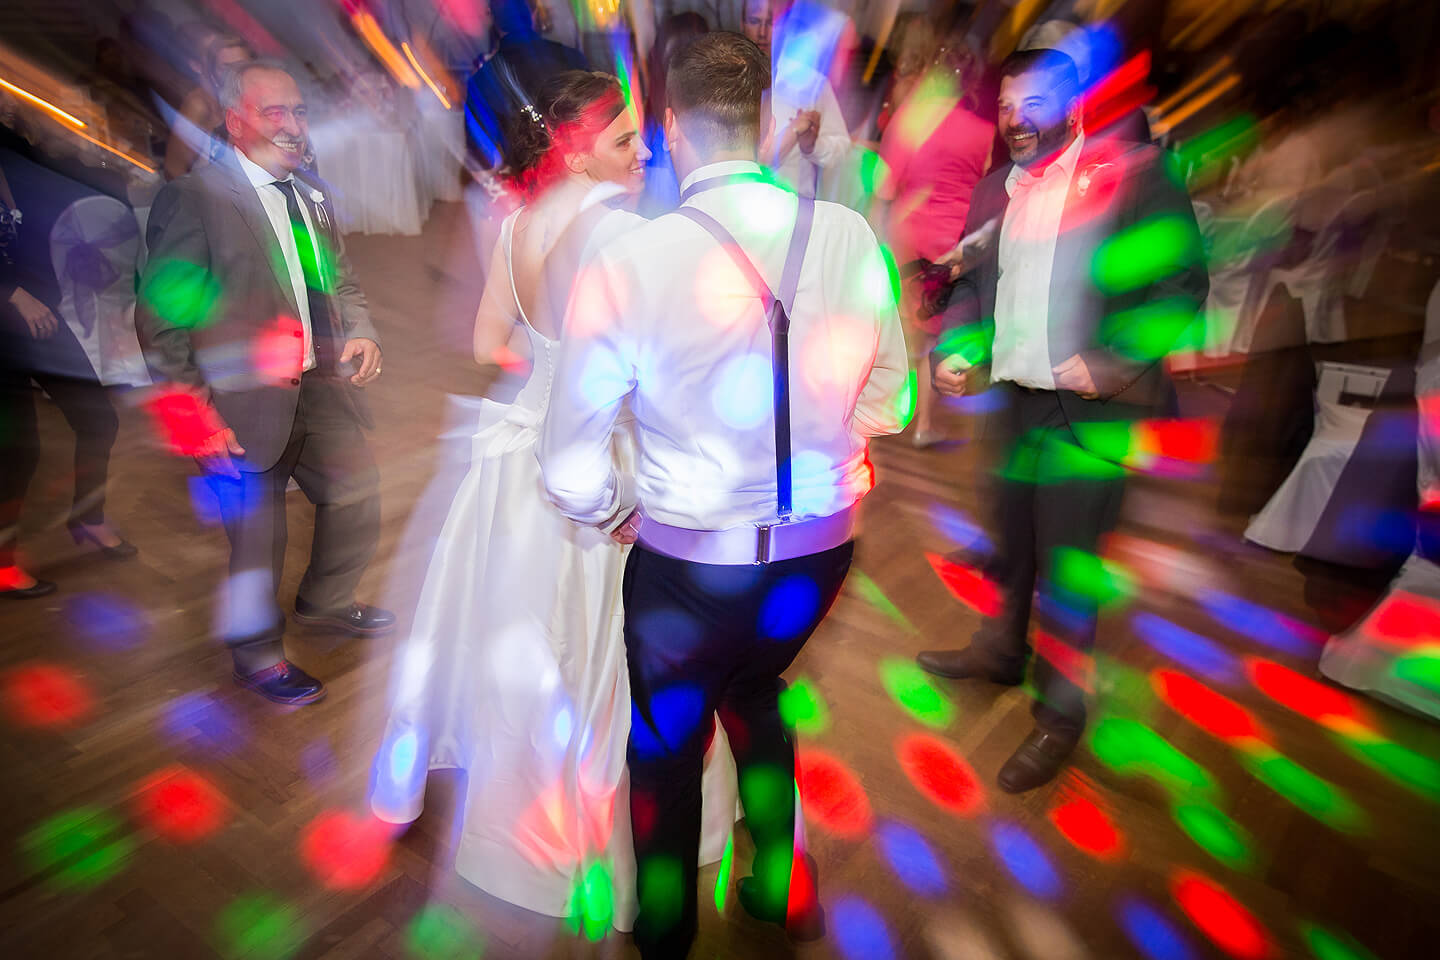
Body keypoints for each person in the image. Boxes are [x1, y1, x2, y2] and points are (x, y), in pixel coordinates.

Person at [538, 32, 909, 958]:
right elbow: (893, 400)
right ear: (770, 124)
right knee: (759, 689)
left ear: (669, 129)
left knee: (665, 752)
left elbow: (569, 465)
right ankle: (783, 890)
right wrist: (823, 445)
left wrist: (609, 504)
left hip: (685, 570)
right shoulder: (852, 236)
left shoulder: (632, 261)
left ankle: (666, 938)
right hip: (817, 558)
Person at [370, 69, 738, 931]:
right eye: (624, 139)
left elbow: (487, 340)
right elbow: (654, 366)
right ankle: (605, 838)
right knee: (607, 655)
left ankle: (520, 820)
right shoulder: (623, 234)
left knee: (532, 655)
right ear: (576, 143)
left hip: (520, 461)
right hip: (602, 467)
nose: (643, 150)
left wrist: (549, 385)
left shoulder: (518, 225)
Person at [916, 49, 1208, 792]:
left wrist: (1113, 362)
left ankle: (1059, 717)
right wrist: (957, 347)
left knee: (1069, 575)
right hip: (1012, 404)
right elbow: (974, 286)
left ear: (1074, 104)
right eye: (1009, 106)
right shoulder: (994, 189)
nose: (1018, 119)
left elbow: (1180, 282)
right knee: (1010, 548)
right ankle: (1000, 653)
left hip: (1090, 414)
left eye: (1035, 102)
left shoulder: (1132, 175)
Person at [136, 61, 392, 706]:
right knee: (258, 540)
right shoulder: (197, 198)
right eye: (273, 111)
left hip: (319, 386)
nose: (292, 124)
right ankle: (256, 659)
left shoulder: (311, 193)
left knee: (357, 495)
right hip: (238, 407)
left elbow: (342, 282)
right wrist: (194, 415)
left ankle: (326, 602)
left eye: (299, 111)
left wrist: (361, 329)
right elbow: (161, 322)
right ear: (236, 121)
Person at [1, 160, 136, 599]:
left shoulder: (16, 154)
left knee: (98, 419)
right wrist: (10, 293)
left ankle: (88, 517)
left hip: (38, 318)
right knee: (19, 451)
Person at [875, 34, 992, 448]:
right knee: (932, 338)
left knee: (906, 333)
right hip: (957, 242)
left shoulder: (910, 120)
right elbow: (987, 189)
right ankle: (923, 423)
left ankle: (888, 414)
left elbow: (884, 186)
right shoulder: (983, 131)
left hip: (910, 236)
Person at [743, 0, 850, 198]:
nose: (762, 32)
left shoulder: (811, 83)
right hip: (741, 208)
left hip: (798, 212)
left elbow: (841, 146)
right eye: (754, 21)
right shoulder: (729, 80)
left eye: (770, 22)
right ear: (742, 24)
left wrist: (812, 147)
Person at [464, 0, 589, 169]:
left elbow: (482, 159)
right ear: (534, 14)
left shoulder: (481, 81)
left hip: (530, 185)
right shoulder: (573, 58)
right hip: (582, 172)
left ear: (492, 19)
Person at [162, 33, 256, 181]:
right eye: (226, 68)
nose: (235, 73)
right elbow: (173, 169)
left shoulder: (260, 103)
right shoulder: (200, 105)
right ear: (213, 73)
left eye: (242, 66)